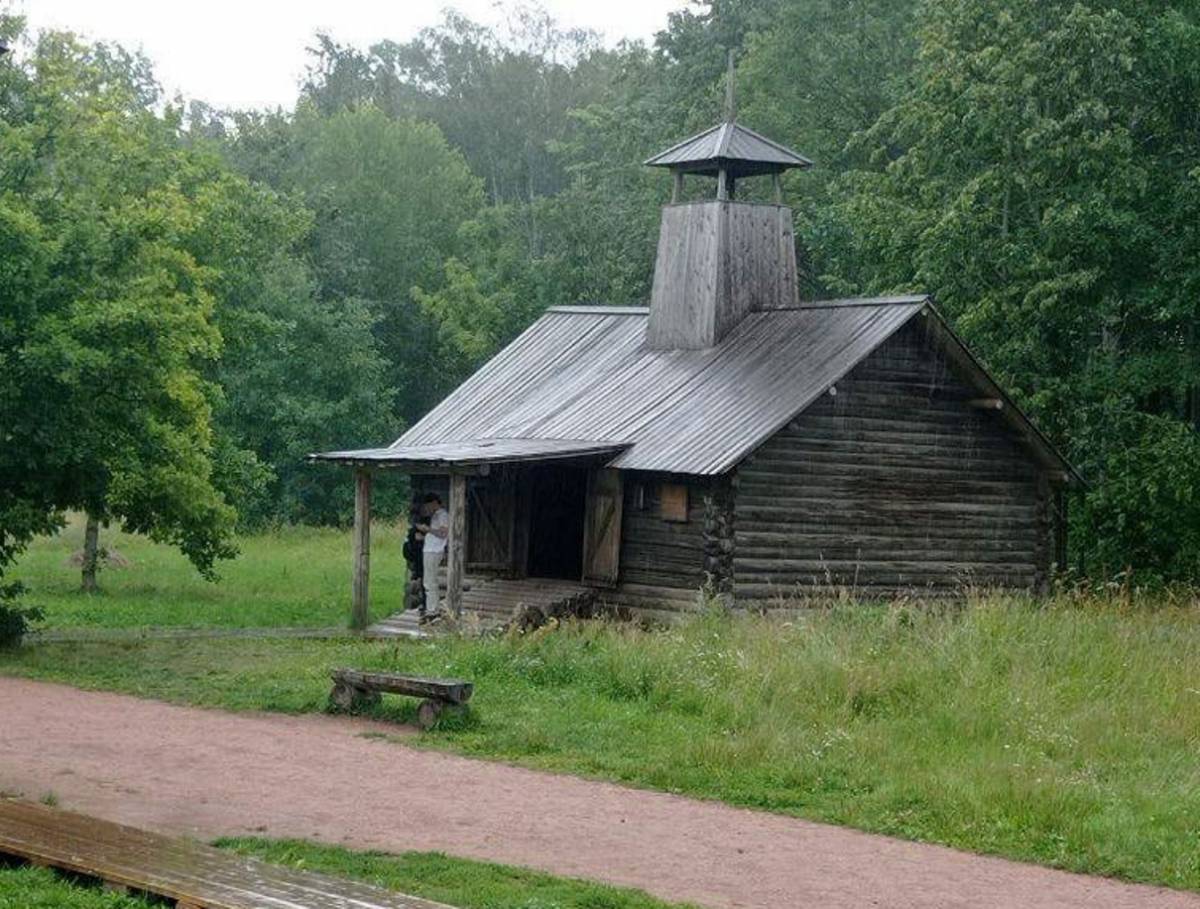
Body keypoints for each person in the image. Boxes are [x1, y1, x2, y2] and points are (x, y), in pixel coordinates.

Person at [414, 492, 450, 622]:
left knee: (430, 581)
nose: (427, 508)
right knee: (429, 581)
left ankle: (433, 610)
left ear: (434, 502)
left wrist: (427, 530)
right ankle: (432, 609)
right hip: (430, 549)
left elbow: (443, 533)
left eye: (428, 505)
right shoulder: (436, 515)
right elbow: (436, 535)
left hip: (434, 551)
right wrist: (424, 537)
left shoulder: (443, 515)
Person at [401, 499, 426, 616]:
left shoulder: (413, 530)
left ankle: (424, 604)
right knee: (423, 580)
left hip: (417, 557)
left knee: (423, 580)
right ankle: (424, 604)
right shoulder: (414, 531)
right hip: (417, 557)